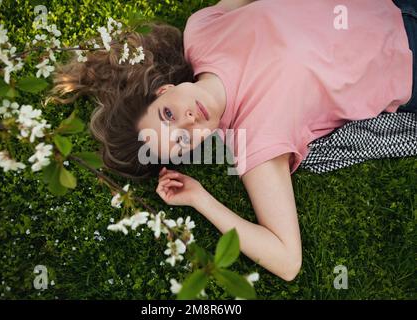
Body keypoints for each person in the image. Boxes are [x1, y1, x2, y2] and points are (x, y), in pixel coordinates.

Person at [52, 0, 415, 281]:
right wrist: (200, 199)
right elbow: (288, 261)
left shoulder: (203, 33)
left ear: (164, 90)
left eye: (167, 114)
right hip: (408, 55)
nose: (188, 121)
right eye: (181, 141)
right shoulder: (256, 139)